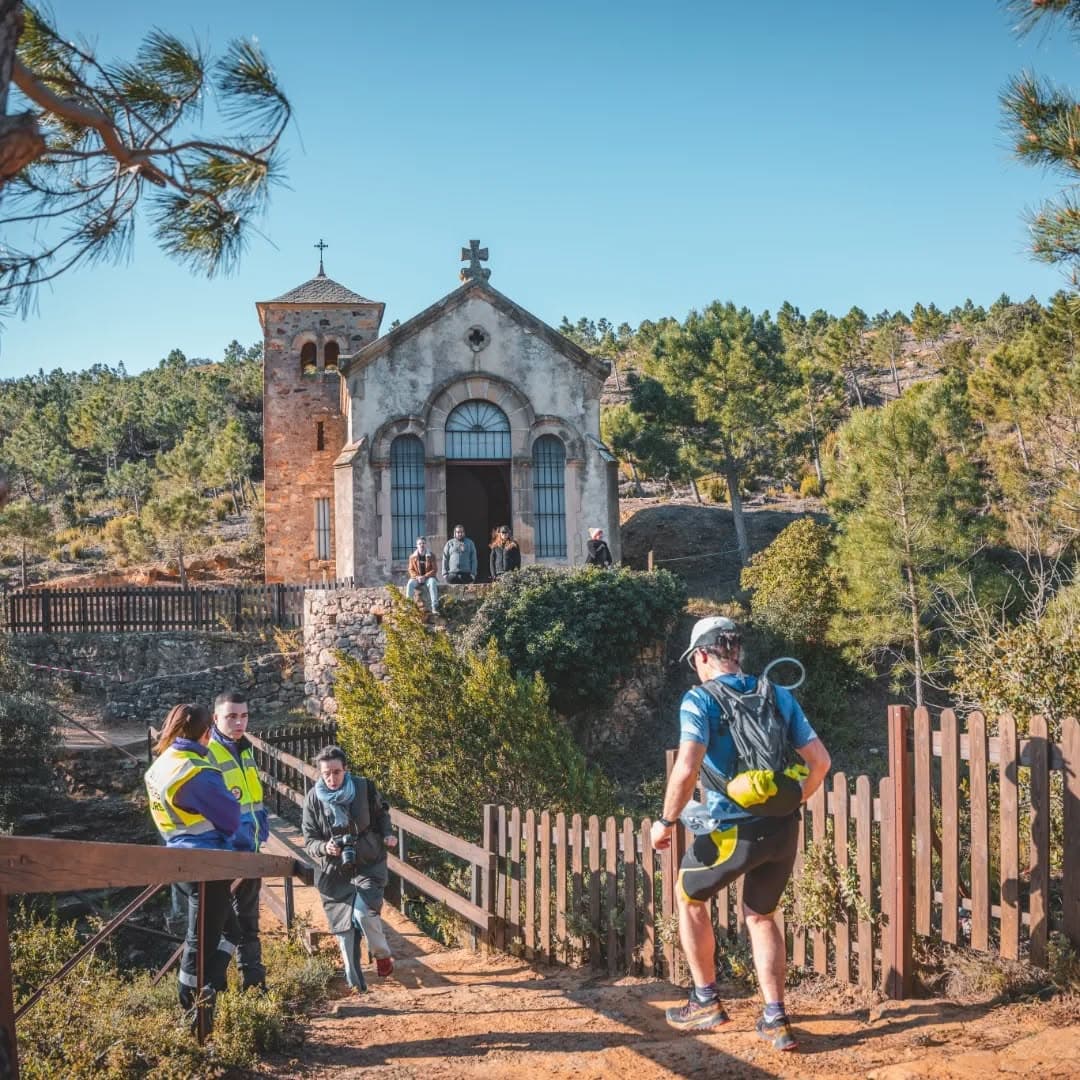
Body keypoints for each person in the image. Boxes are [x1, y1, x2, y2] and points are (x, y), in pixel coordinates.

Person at [651, 616, 831, 1053]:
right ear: (738, 651)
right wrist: (789, 800)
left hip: (732, 831)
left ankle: (706, 1000)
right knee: (760, 916)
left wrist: (667, 821)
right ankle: (776, 1017)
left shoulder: (699, 700)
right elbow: (820, 762)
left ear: (702, 656)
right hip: (783, 829)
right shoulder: (777, 694)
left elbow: (687, 767)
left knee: (689, 897)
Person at [144, 703, 240, 1021]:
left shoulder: (161, 764)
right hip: (207, 863)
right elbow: (230, 818)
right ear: (206, 733)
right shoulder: (196, 771)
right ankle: (193, 1008)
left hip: (178, 858)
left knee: (229, 931)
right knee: (201, 941)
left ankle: (210, 984)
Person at [302, 745, 398, 991]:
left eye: (336, 772)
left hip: (369, 862)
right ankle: (357, 987)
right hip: (334, 873)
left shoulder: (363, 787)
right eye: (326, 773)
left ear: (346, 769)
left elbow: (381, 815)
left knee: (363, 914)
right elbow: (309, 840)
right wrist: (326, 848)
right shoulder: (313, 798)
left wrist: (387, 835)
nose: (331, 778)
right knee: (343, 932)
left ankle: (382, 954)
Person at [207, 689, 269, 992]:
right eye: (231, 716)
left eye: (243, 716)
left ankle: (254, 984)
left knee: (248, 924)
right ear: (216, 718)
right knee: (220, 927)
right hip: (226, 856)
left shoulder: (244, 749)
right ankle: (214, 988)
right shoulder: (208, 753)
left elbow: (252, 803)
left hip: (251, 851)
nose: (239, 722)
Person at [405, 536, 439, 613]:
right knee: (410, 583)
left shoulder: (431, 555)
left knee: (433, 582)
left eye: (423, 543)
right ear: (417, 545)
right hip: (417, 578)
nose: (421, 545)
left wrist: (425, 576)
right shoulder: (412, 557)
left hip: (428, 578)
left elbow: (434, 569)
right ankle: (408, 607)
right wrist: (417, 577)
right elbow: (410, 569)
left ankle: (435, 607)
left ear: (426, 544)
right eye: (419, 543)